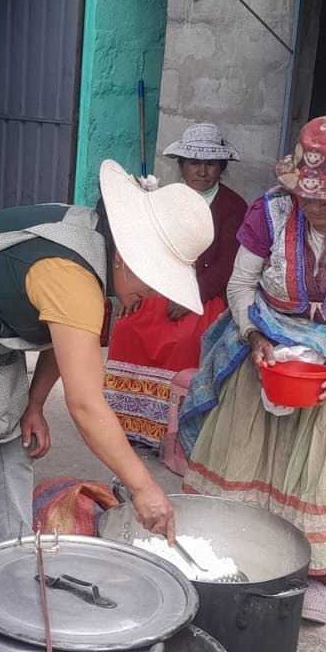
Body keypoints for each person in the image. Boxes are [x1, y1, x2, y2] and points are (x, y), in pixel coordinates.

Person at [0, 161, 213, 589]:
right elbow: (86, 405)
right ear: (127, 257)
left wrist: (33, 404)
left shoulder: (94, 246)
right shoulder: (71, 275)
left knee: (13, 454)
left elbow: (64, 335)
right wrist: (144, 487)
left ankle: (11, 578)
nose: (154, 295)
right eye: (156, 280)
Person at [179, 116, 326, 625]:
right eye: (308, 197)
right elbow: (241, 286)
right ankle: (238, 551)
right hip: (268, 341)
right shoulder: (269, 210)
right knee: (249, 455)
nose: (316, 206)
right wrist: (255, 337)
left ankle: (313, 575)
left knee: (325, 467)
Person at [103, 124, 247, 448]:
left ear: (221, 168)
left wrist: (190, 296)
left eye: (210, 164)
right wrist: (132, 288)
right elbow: (145, 247)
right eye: (193, 162)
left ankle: (169, 433)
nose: (202, 170)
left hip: (203, 294)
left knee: (186, 338)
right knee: (128, 327)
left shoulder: (233, 207)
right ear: (181, 165)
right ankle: (126, 425)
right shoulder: (164, 198)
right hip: (159, 286)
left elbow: (227, 263)